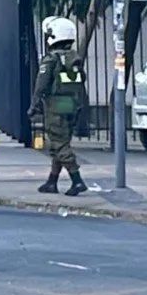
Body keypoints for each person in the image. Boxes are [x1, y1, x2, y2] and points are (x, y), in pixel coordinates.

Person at [29, 16, 89, 196]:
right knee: (59, 143)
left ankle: (77, 180)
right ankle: (52, 181)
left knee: (60, 144)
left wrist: (34, 105)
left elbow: (41, 85)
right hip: (72, 105)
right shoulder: (74, 58)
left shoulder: (51, 60)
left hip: (55, 106)